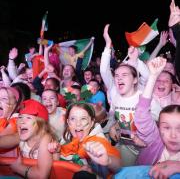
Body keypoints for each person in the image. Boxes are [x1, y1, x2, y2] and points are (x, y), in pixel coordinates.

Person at [100, 24, 160, 166]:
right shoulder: (115, 93)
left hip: (147, 148)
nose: (119, 78)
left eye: (124, 75)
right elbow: (103, 71)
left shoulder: (144, 96)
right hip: (125, 145)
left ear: (134, 80)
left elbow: (160, 121)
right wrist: (108, 45)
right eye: (117, 76)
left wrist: (136, 60)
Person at [134, 56, 180, 178]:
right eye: (158, 80)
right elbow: (141, 117)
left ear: (172, 86)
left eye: (166, 81)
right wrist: (153, 76)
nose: (173, 135)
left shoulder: (176, 99)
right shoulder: (145, 97)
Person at [48, 101, 121, 178]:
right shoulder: (70, 136)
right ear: (68, 122)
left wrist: (108, 160)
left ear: (92, 122)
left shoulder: (97, 140)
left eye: (83, 119)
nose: (78, 123)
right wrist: (57, 151)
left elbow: (117, 165)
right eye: (73, 119)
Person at [10, 99, 57, 179]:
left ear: (41, 124)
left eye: (28, 118)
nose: (21, 121)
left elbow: (42, 176)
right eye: (20, 117)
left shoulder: (45, 138)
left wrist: (18, 168)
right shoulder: (22, 137)